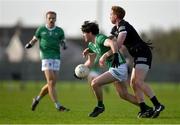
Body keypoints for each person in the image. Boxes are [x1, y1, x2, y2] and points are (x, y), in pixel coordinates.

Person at [109, 6, 165, 118]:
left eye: (111, 14)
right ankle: (144, 109)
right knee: (133, 83)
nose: (109, 16)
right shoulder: (115, 29)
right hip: (137, 55)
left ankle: (157, 105)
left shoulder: (124, 26)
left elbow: (118, 44)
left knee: (138, 82)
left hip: (143, 53)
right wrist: (92, 49)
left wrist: (107, 54)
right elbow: (108, 42)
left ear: (115, 16)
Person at [78, 21, 140, 117]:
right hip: (115, 68)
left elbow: (113, 43)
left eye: (84, 33)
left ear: (89, 33)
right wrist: (80, 71)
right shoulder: (91, 45)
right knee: (123, 95)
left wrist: (113, 55)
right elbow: (90, 62)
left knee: (94, 83)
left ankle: (100, 106)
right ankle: (146, 108)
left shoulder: (99, 38)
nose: (83, 35)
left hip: (119, 67)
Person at [25, 11, 69, 112]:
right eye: (49, 18)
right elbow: (34, 39)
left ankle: (37, 99)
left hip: (56, 57)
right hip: (46, 56)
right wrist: (30, 44)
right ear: (46, 19)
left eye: (53, 18)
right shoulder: (41, 29)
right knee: (51, 81)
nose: (51, 20)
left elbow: (63, 41)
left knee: (52, 84)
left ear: (56, 19)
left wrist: (64, 45)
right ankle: (58, 105)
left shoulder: (59, 31)